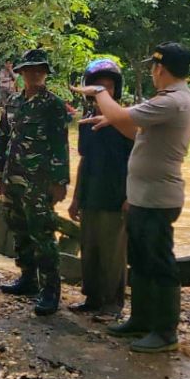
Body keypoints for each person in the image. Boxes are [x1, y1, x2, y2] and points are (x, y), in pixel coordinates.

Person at [74, 41, 190, 354]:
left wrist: (98, 94)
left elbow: (120, 113)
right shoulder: (168, 100)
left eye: (154, 68)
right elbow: (135, 130)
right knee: (140, 262)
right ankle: (141, 320)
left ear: (160, 68)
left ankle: (165, 331)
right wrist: (109, 119)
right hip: (145, 196)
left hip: (158, 197)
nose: (153, 73)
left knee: (159, 263)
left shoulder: (174, 101)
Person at [0, 49, 69, 316]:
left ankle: (50, 290)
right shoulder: (13, 102)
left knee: (43, 232)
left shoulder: (54, 105)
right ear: (21, 73)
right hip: (12, 176)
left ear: (45, 73)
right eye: (31, 69)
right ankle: (28, 278)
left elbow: (61, 146)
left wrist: (60, 181)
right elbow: (2, 138)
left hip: (39, 181)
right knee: (18, 227)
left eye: (41, 70)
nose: (36, 74)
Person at [68, 58, 133, 318]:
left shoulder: (126, 119)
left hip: (116, 194)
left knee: (113, 254)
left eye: (108, 88)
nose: (104, 92)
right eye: (98, 87)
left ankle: (113, 304)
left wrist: (130, 195)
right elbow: (85, 159)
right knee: (91, 247)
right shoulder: (86, 119)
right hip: (91, 193)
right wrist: (76, 198)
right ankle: (93, 298)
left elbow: (135, 160)